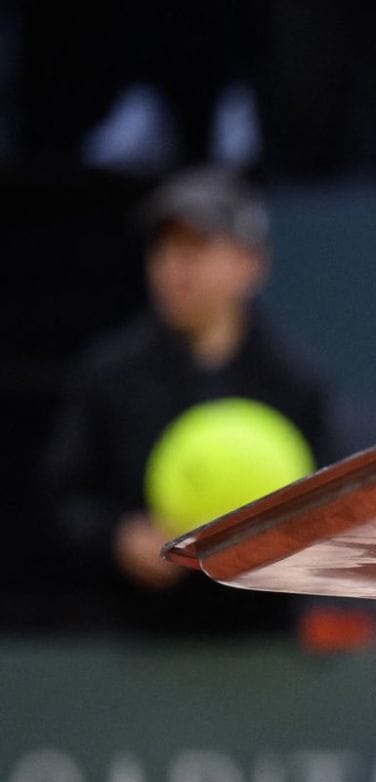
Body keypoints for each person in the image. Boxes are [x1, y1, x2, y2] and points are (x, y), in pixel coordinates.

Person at [42, 167, 329, 636]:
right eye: (164, 248)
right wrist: (118, 539)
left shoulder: (296, 383)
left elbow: (331, 508)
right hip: (140, 640)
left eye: (196, 247)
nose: (174, 266)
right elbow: (62, 500)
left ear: (249, 264)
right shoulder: (109, 373)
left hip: (259, 645)